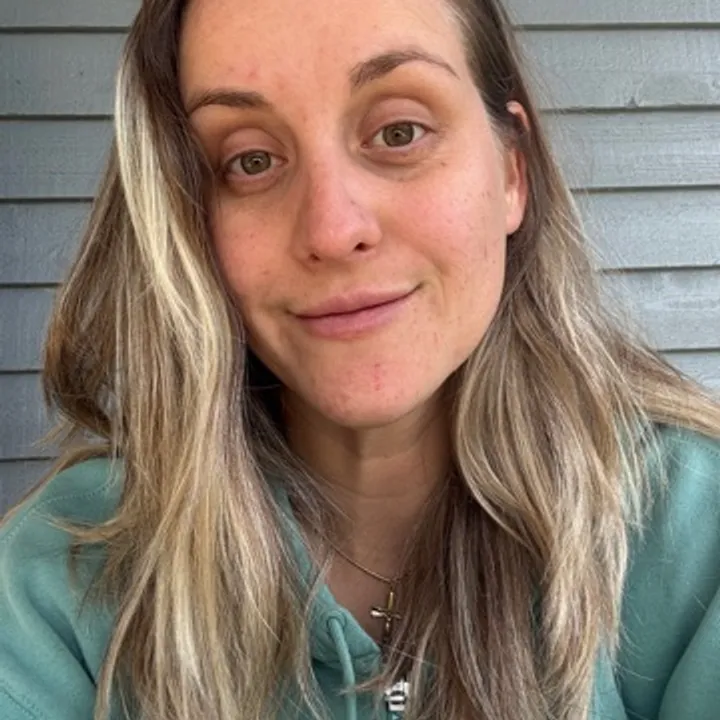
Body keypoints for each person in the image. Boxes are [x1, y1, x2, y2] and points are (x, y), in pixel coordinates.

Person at [1, 0, 720, 718]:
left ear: (511, 172)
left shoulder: (696, 537)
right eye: (251, 161)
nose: (332, 228)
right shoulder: (57, 581)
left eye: (399, 132)